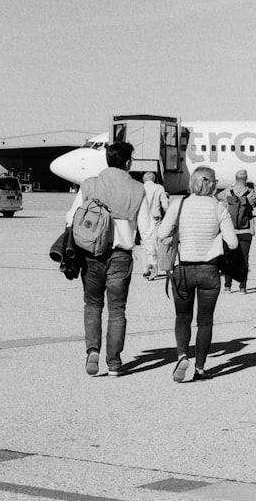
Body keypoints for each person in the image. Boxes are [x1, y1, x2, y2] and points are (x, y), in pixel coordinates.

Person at [65, 141, 146, 377]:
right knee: (117, 310)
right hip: (121, 255)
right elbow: (147, 229)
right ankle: (114, 362)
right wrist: (152, 260)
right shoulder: (138, 189)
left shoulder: (89, 185)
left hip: (91, 254)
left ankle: (92, 350)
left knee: (92, 305)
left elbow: (71, 218)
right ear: (128, 162)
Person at [157, 166, 238, 382]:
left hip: (182, 268)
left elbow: (161, 233)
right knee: (205, 321)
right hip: (209, 271)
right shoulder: (219, 207)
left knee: (182, 317)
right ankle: (200, 368)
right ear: (212, 184)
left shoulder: (179, 204)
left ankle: (183, 355)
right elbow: (233, 242)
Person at [217, 170, 256, 294]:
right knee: (244, 259)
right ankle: (243, 287)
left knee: (228, 258)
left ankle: (227, 286)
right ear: (246, 178)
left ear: (235, 178)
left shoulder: (228, 192)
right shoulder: (251, 193)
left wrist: (232, 188)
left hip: (230, 230)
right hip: (246, 229)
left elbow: (218, 196)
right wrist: (252, 185)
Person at [137, 171, 169, 281]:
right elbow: (165, 206)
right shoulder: (159, 188)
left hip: (142, 219)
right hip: (155, 219)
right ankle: (154, 266)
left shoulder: (139, 188)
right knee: (155, 244)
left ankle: (145, 268)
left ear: (143, 179)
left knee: (144, 243)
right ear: (154, 179)